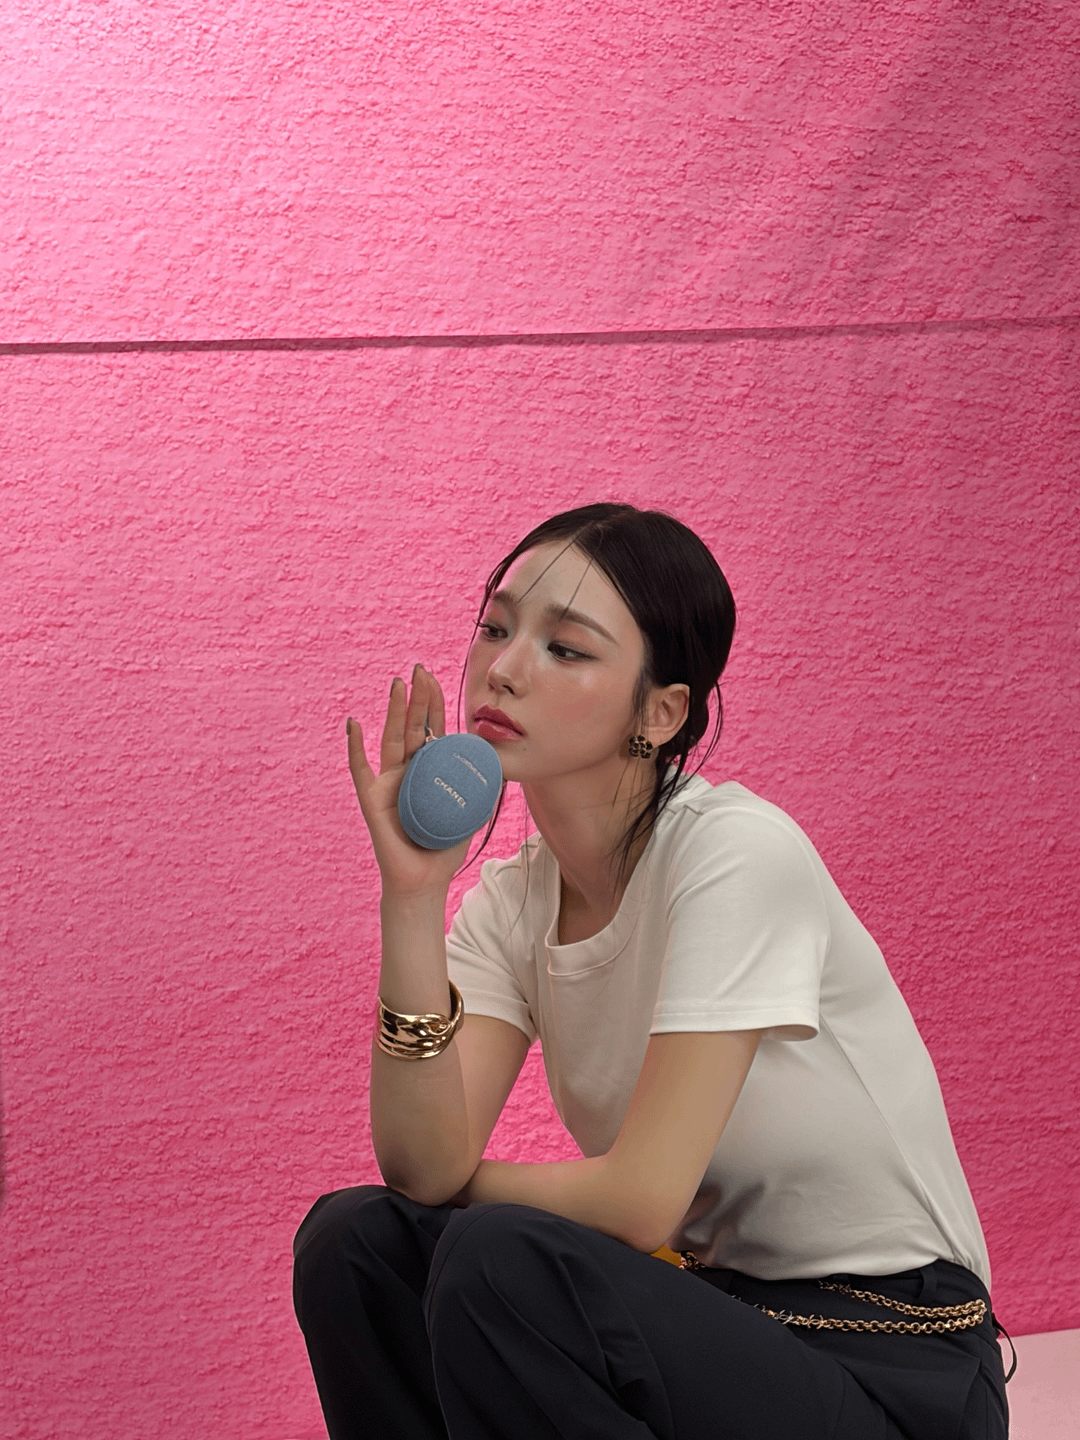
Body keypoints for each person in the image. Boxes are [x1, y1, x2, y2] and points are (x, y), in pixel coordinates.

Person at [292, 503, 1010, 1439]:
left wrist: (458, 1189)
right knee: (355, 1242)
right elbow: (419, 1164)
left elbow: (638, 1202)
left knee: (500, 1259)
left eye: (566, 648)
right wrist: (413, 896)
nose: (503, 668)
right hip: (716, 1329)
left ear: (660, 712)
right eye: (496, 628)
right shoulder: (514, 899)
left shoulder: (734, 853)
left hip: (892, 1366)